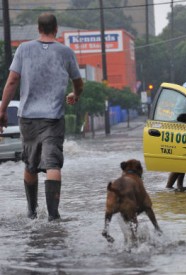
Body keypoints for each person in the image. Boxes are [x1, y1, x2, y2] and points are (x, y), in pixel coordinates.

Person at [0, 13, 84, 221]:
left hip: (27, 117)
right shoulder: (65, 52)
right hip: (53, 118)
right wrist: (75, 94)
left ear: (39, 29)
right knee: (52, 165)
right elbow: (78, 81)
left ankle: (32, 211)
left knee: (30, 164)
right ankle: (53, 217)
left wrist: (2, 110)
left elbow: (12, 81)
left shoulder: (23, 49)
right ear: (56, 29)